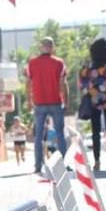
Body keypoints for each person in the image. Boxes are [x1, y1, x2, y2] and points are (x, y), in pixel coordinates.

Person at [78, 38, 106, 170]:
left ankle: (97, 161)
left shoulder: (88, 66)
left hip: (94, 101)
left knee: (95, 131)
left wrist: (91, 89)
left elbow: (81, 82)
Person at [25, 36, 68, 175]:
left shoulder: (32, 63)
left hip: (39, 102)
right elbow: (63, 83)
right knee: (60, 133)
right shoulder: (59, 63)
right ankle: (63, 164)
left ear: (41, 47)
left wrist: (29, 100)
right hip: (55, 101)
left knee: (39, 136)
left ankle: (38, 166)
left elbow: (28, 83)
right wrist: (66, 100)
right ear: (52, 47)